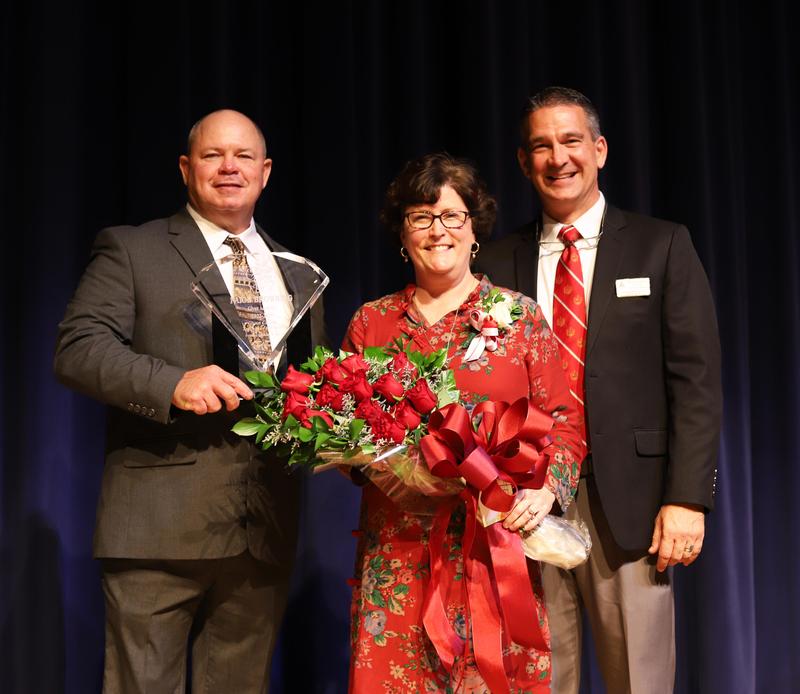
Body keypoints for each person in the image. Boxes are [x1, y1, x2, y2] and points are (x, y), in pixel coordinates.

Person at [54, 109, 326, 693]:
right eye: (212, 155)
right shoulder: (133, 249)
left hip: (263, 531)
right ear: (186, 167)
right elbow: (78, 350)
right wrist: (170, 383)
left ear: (267, 171)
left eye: (244, 156)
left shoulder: (300, 275)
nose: (229, 168)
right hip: (158, 529)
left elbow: (312, 386)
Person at [475, 87, 722, 693]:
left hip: (631, 506)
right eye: (541, 145)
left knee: (639, 678)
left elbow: (697, 383)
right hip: (525, 501)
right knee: (537, 678)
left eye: (571, 140)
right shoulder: (496, 263)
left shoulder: (661, 244)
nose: (558, 157)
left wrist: (688, 498)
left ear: (600, 150)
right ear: (523, 161)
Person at [341, 152, 585, 692]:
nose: (437, 231)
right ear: (402, 234)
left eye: (452, 215)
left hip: (496, 547)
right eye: (420, 217)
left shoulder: (519, 316)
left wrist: (546, 489)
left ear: (474, 227)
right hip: (399, 552)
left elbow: (565, 421)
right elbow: (343, 433)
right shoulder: (372, 322)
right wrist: (386, 467)